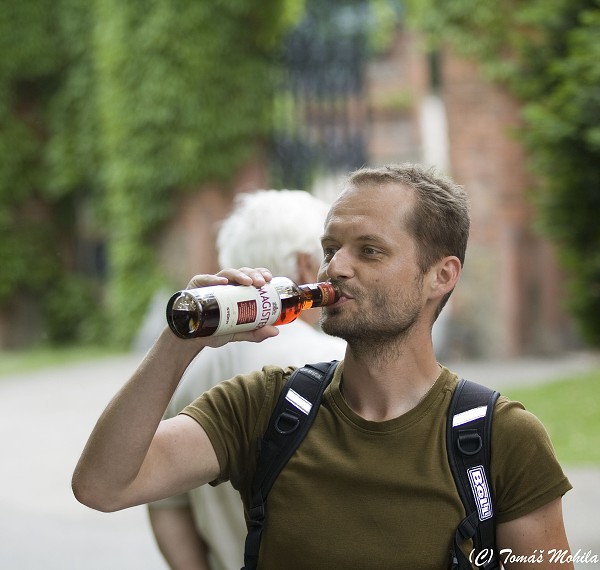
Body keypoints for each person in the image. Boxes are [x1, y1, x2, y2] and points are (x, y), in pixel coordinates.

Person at [73, 163, 573, 570]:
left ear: (440, 276)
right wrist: (179, 342)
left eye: (369, 251)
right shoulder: (266, 405)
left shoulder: (499, 439)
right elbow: (103, 485)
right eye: (330, 249)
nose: (335, 268)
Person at [147, 189, 346, 570]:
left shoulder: (185, 365)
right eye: (327, 256)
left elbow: (166, 503)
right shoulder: (334, 362)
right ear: (305, 267)